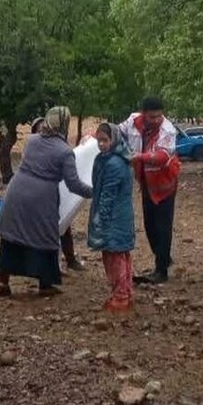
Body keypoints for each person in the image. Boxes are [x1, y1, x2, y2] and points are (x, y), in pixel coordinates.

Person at [0, 107, 92, 297]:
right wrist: (93, 192)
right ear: (64, 123)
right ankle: (45, 285)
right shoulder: (65, 152)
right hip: (41, 197)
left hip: (17, 190)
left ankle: (3, 283)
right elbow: (73, 185)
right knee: (44, 237)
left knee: (12, 236)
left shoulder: (31, 141)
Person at [117, 96, 181, 284]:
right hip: (146, 182)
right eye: (152, 117)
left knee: (163, 226)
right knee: (149, 226)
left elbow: (162, 156)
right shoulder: (132, 121)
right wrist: (96, 135)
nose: (156, 120)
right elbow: (117, 131)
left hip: (164, 184)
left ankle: (161, 271)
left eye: (159, 116)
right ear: (143, 113)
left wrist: (139, 157)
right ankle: (163, 257)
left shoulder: (167, 129)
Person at [87, 123, 136, 312]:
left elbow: (108, 194)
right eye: (99, 140)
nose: (101, 144)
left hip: (114, 217)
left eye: (105, 140)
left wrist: (101, 219)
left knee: (113, 256)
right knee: (121, 255)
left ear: (113, 140)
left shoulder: (113, 163)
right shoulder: (114, 158)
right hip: (120, 216)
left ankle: (120, 298)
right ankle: (126, 293)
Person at [30, 116, 86, 273]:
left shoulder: (58, 146)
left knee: (64, 225)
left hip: (57, 191)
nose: (42, 132)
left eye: (44, 129)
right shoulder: (33, 147)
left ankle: (69, 259)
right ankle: (49, 265)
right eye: (38, 130)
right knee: (44, 230)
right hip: (40, 194)